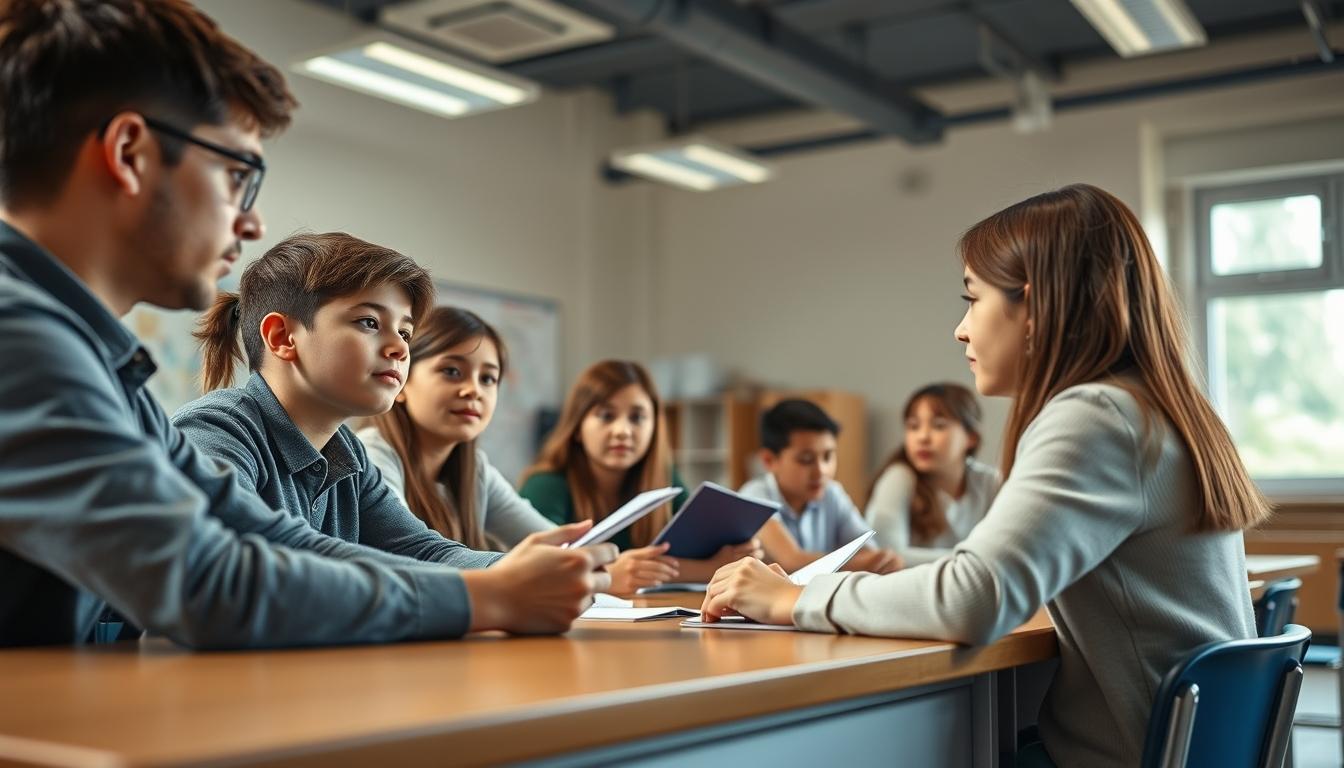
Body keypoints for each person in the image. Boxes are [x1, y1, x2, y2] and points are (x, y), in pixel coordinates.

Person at [0, 0, 612, 648]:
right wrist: (486, 596)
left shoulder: (92, 360)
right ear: (129, 153)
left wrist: (504, 580)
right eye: (237, 175)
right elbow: (212, 581)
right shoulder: (19, 340)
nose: (252, 223)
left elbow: (274, 538)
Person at [699, 184, 1267, 768]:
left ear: (1035, 307)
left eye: (972, 298)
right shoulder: (1158, 408)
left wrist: (795, 598)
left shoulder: (1097, 416)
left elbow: (974, 599)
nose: (961, 329)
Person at [173, 232, 496, 569]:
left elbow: (425, 552)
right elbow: (243, 551)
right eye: (369, 322)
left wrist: (520, 570)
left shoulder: (347, 456)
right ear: (283, 337)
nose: (400, 349)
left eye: (404, 332)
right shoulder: (215, 429)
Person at [520, 360, 761, 589]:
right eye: (606, 416)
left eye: (637, 417)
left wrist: (736, 555)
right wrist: (708, 569)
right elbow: (544, 570)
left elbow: (708, 550)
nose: (623, 431)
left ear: (654, 426)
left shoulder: (662, 479)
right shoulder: (546, 485)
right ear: (577, 427)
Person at [357, 306, 555, 551]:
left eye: (487, 379)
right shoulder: (371, 455)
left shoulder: (475, 470)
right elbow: (414, 555)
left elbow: (557, 542)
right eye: (451, 371)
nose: (474, 390)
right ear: (402, 380)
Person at [738, 399, 902, 574]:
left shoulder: (832, 493)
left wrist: (882, 560)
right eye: (806, 460)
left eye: (828, 456)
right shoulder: (754, 497)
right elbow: (792, 561)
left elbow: (867, 550)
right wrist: (862, 563)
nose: (821, 471)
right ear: (769, 460)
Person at [865, 383, 1000, 566]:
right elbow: (885, 557)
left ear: (971, 438)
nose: (922, 437)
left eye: (939, 426)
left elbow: (1003, 552)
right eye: (913, 426)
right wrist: (974, 560)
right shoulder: (899, 477)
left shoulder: (991, 483)